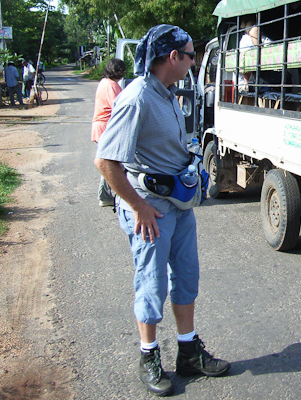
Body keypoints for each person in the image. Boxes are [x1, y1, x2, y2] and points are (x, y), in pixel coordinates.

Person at [95, 25, 230, 397]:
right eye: (190, 55)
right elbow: (105, 161)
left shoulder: (169, 93)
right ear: (173, 58)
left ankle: (187, 351)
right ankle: (149, 356)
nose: (193, 61)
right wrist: (136, 206)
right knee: (151, 283)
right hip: (150, 207)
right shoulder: (137, 96)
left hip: (178, 203)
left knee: (186, 276)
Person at [91, 57, 126, 207]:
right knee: (110, 163)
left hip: (101, 127)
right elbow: (120, 107)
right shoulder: (112, 85)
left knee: (109, 162)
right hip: (106, 128)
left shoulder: (104, 82)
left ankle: (107, 195)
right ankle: (106, 195)